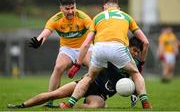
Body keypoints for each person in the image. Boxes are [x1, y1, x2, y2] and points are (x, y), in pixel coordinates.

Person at [60, 0, 151, 109]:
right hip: (118, 47)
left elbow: (86, 44)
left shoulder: (97, 17)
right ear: (118, 8)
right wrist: (141, 64)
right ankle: (145, 103)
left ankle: (70, 103)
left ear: (104, 8)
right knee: (136, 74)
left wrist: (77, 64)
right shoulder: (126, 16)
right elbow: (146, 43)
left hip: (99, 48)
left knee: (89, 77)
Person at [7, 37, 143, 109]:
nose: (135, 54)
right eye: (134, 50)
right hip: (87, 84)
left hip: (100, 94)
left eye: (138, 52)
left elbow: (136, 81)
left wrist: (135, 94)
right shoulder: (114, 55)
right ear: (127, 46)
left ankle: (65, 108)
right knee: (54, 94)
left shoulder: (134, 65)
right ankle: (21, 105)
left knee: (96, 106)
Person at [28, 0, 93, 106]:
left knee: (93, 68)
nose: (70, 11)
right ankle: (49, 100)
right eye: (67, 9)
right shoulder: (55, 19)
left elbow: (93, 32)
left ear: (75, 7)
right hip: (67, 49)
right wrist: (39, 41)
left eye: (72, 8)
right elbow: (46, 32)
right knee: (58, 67)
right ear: (61, 8)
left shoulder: (83, 17)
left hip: (85, 47)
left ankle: (94, 97)